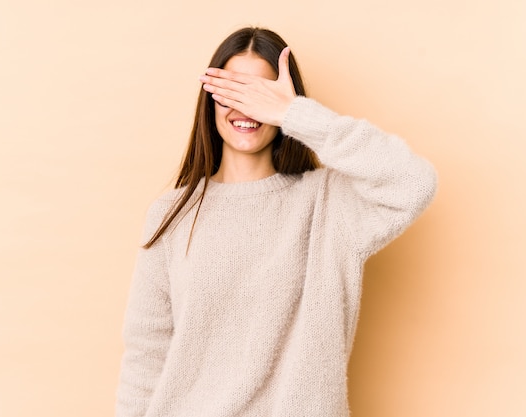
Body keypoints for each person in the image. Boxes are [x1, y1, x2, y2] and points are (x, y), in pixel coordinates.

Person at [115, 27, 437, 417]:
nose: (246, 107)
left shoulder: (329, 204)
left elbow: (413, 181)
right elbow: (146, 354)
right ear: (209, 99)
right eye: (233, 91)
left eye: (261, 94)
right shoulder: (172, 213)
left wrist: (294, 114)